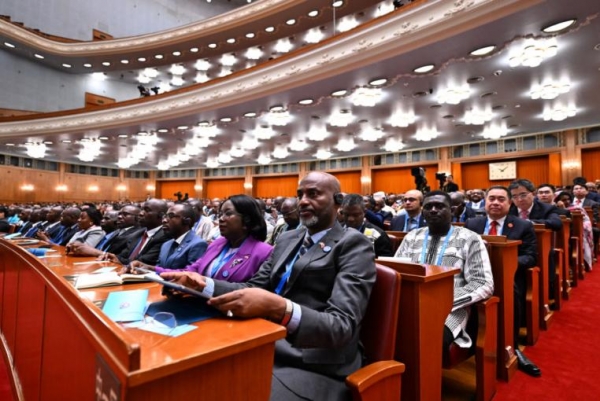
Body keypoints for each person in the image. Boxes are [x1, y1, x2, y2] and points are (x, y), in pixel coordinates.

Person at [160, 172, 376, 401]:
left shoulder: (354, 244)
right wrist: (203, 285)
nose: (303, 201)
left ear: (338, 201)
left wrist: (279, 308)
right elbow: (253, 287)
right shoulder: (288, 239)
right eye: (300, 195)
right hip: (262, 340)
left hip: (313, 361)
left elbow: (341, 325)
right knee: (187, 375)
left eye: (313, 194)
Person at [395, 190, 494, 349]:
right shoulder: (412, 237)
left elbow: (482, 282)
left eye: (439, 206)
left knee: (428, 338)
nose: (433, 210)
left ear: (452, 210)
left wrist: (443, 301)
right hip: (411, 305)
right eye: (428, 207)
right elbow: (397, 272)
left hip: (451, 309)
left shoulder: (470, 238)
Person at [464, 186, 541, 377]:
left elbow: (531, 257)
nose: (495, 203)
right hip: (475, 275)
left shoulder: (523, 225)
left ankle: (511, 345)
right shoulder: (472, 223)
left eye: (501, 199)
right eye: (491, 199)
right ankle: (467, 340)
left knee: (510, 290)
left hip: (510, 275)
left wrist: (504, 263)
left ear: (509, 203)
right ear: (485, 201)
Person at [133, 195, 272, 283]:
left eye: (228, 214)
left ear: (247, 220)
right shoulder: (217, 244)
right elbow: (191, 271)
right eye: (220, 214)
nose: (221, 219)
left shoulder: (264, 252)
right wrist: (151, 269)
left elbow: (253, 291)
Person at [131, 203, 207, 270]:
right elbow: (159, 268)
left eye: (171, 216)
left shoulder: (198, 244)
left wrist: (152, 269)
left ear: (187, 221)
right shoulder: (166, 244)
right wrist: (144, 268)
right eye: (165, 216)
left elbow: (191, 273)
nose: (164, 220)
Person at [106, 199, 171, 265]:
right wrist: (110, 256)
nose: (141, 213)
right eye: (142, 209)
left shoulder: (165, 236)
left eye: (147, 210)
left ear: (161, 215)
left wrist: (118, 259)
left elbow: (143, 262)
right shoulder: (138, 234)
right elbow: (123, 255)